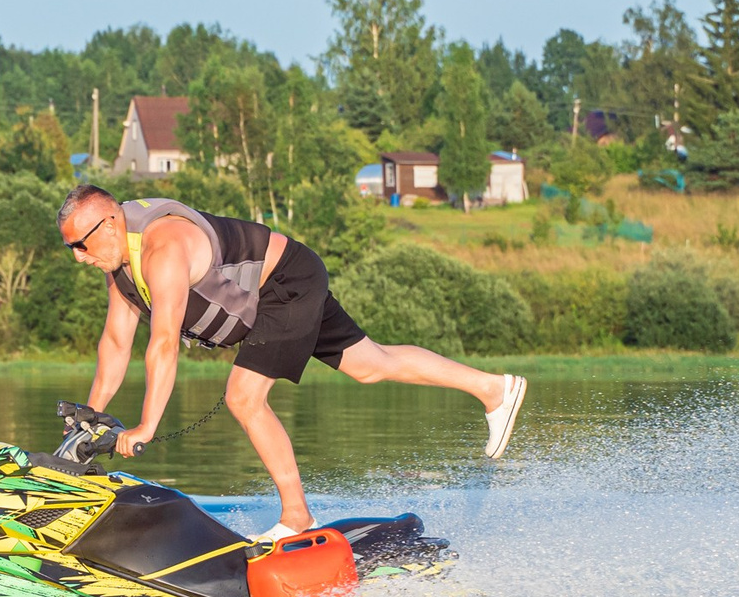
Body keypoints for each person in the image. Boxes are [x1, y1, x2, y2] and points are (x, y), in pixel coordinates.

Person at [55, 185, 526, 541]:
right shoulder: (120, 265)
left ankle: (297, 516)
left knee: (244, 398)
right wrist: (89, 420)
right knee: (370, 364)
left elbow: (163, 344)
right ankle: (493, 389)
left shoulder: (163, 248)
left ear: (110, 223)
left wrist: (146, 426)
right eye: (70, 248)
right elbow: (116, 343)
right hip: (286, 283)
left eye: (81, 245)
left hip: (285, 284)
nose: (78, 258)